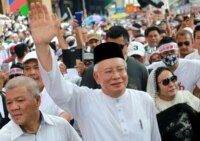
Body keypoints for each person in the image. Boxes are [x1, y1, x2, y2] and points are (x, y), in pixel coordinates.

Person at [28, 3, 161, 141]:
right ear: (96, 77)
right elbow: (56, 85)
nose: (116, 76)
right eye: (108, 71)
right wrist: (42, 46)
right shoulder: (85, 100)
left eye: (120, 69)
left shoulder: (144, 100)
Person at [0, 76, 82, 141]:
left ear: (37, 100)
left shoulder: (61, 126)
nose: (13, 107)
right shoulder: (3, 137)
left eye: (20, 100)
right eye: (9, 103)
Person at [81, 26, 149, 91]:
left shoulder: (140, 69)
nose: (114, 50)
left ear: (127, 45)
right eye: (110, 46)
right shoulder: (94, 70)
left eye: (119, 46)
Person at [149, 66, 200, 140]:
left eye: (173, 79)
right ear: (156, 87)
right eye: (165, 82)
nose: (171, 84)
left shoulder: (186, 95)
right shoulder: (152, 107)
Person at [22, 51, 71, 121]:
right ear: (23, 72)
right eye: (27, 68)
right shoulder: (20, 93)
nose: (32, 72)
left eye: (37, 67)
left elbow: (66, 115)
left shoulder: (57, 90)